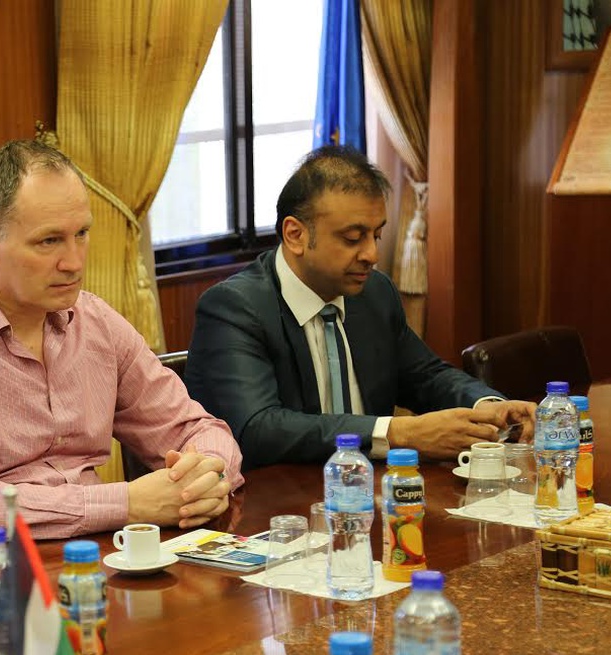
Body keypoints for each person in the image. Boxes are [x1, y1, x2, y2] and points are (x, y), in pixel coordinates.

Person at [0, 140, 243, 565]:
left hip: (94, 563)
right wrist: (126, 503)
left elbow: (197, 428)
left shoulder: (95, 320)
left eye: (81, 234)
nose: (74, 262)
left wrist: (207, 474)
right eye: (49, 241)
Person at [185, 146, 535, 466]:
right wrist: (399, 432)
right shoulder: (234, 308)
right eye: (353, 238)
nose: (372, 254)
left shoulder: (373, 292)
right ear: (295, 235)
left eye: (376, 235)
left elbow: (426, 375)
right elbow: (258, 430)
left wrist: (489, 408)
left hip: (370, 491)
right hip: (274, 503)